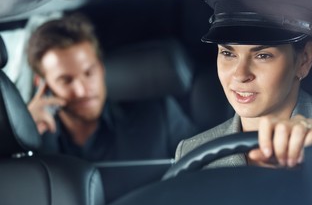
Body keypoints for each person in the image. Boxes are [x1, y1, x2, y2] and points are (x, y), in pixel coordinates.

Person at [175, 0, 312, 169]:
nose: (240, 75)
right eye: (228, 54)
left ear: (304, 59)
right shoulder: (193, 154)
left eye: (262, 55)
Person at [27, 13, 194, 162]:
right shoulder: (33, 139)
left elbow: (207, 172)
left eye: (88, 73)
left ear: (101, 68)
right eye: (66, 80)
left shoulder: (160, 115)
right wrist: (23, 131)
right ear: (41, 83)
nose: (81, 91)